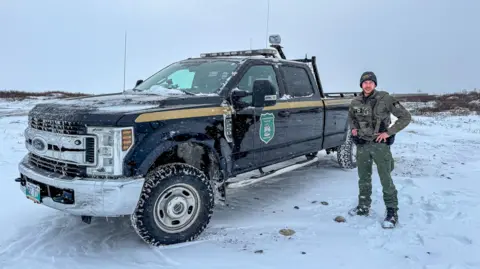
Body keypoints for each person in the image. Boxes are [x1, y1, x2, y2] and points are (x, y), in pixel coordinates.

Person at [347, 71, 412, 228]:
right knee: (363, 178)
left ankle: (391, 211)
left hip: (379, 145)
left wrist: (389, 132)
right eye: (365, 82)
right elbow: (351, 118)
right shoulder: (355, 101)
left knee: (385, 179)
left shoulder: (385, 99)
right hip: (362, 145)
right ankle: (363, 206)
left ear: (375, 84)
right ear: (361, 85)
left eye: (370, 82)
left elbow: (405, 117)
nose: (367, 85)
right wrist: (354, 130)